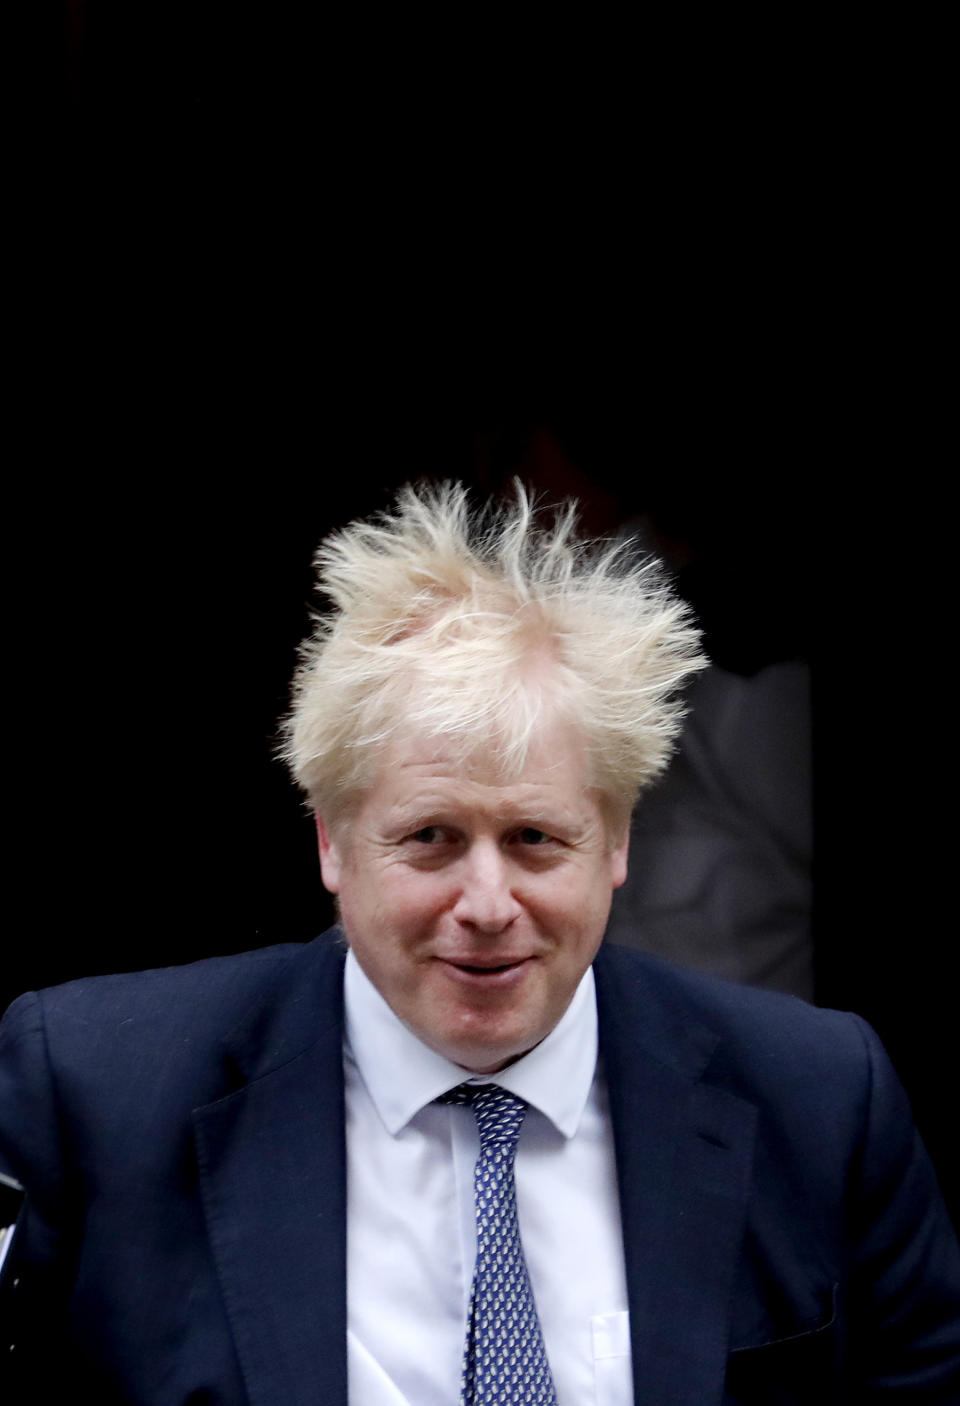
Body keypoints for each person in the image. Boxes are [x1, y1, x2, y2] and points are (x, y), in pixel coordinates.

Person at [1, 482, 958, 1404]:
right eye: (432, 838)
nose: (488, 903)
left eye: (536, 839)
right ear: (332, 843)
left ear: (617, 841)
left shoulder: (821, 1102)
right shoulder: (93, 1093)